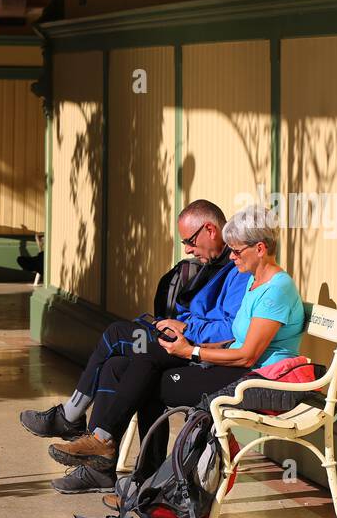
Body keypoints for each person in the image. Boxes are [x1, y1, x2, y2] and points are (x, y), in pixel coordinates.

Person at [49, 204, 305, 493]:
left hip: (256, 378)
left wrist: (191, 352)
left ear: (260, 248)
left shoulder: (277, 289)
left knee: (147, 377)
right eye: (230, 250)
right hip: (232, 366)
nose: (231, 257)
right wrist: (186, 337)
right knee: (125, 366)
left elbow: (248, 355)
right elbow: (233, 335)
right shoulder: (255, 282)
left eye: (236, 251)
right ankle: (115, 456)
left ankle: (133, 469)